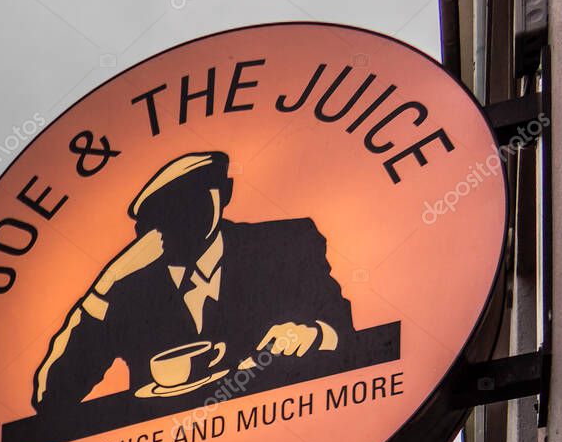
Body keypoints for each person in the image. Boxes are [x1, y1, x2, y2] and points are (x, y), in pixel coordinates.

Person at [32, 150, 356, 413]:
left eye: (192, 202)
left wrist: (313, 334)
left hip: (285, 440)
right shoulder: (130, 293)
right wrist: (107, 282)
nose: (181, 220)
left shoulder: (281, 246)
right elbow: (53, 398)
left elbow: (342, 330)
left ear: (221, 196)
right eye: (166, 213)